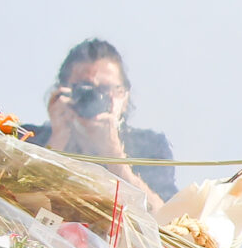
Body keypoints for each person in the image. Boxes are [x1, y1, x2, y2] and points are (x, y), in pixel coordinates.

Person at [23, 38, 177, 203]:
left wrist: (114, 156)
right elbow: (10, 197)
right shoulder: (26, 138)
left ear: (124, 97)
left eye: (105, 90)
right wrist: (55, 143)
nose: (93, 98)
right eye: (84, 88)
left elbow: (167, 217)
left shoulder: (151, 148)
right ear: (62, 91)